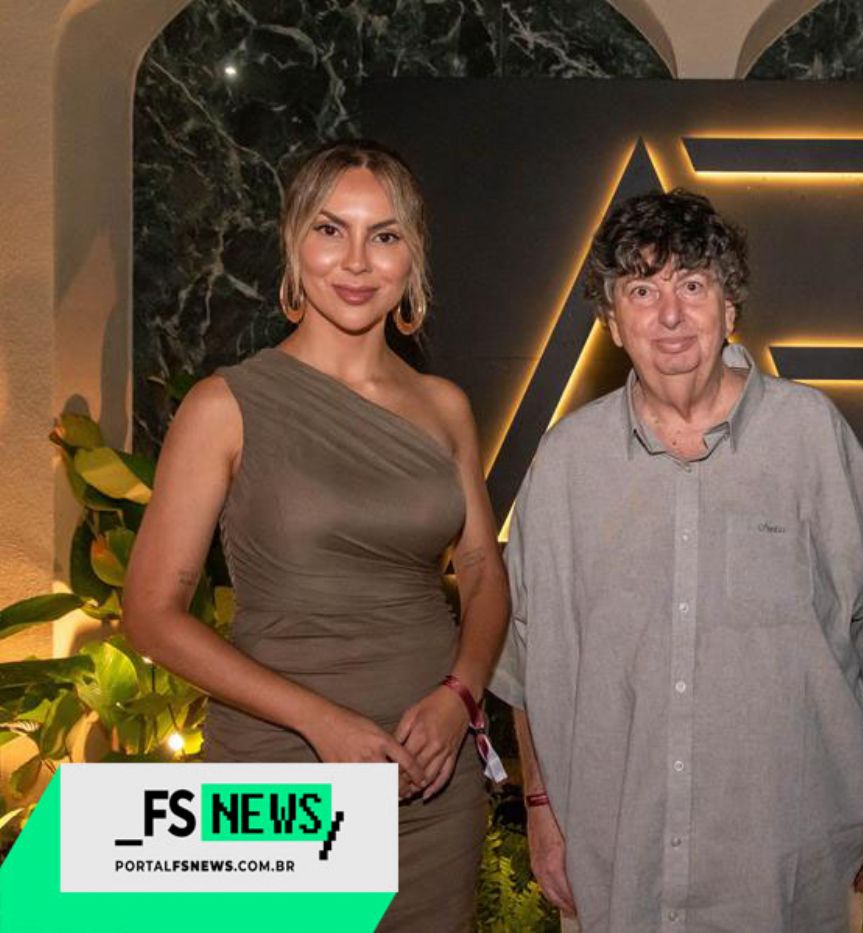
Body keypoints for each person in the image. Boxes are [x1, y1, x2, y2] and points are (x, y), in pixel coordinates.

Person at [489, 189, 863, 931]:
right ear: (612, 323)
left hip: (784, 863)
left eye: (692, 286)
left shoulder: (811, 437)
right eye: (642, 291)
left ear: (729, 308)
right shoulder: (566, 463)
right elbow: (527, 662)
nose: (670, 315)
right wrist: (540, 805)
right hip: (617, 861)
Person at [123, 140, 509, 931]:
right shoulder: (224, 405)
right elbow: (151, 614)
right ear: (293, 244)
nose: (357, 261)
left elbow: (481, 571)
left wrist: (460, 696)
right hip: (279, 776)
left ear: (413, 256)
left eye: (385, 234)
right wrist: (319, 719)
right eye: (331, 230)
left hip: (430, 783)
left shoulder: (444, 407)